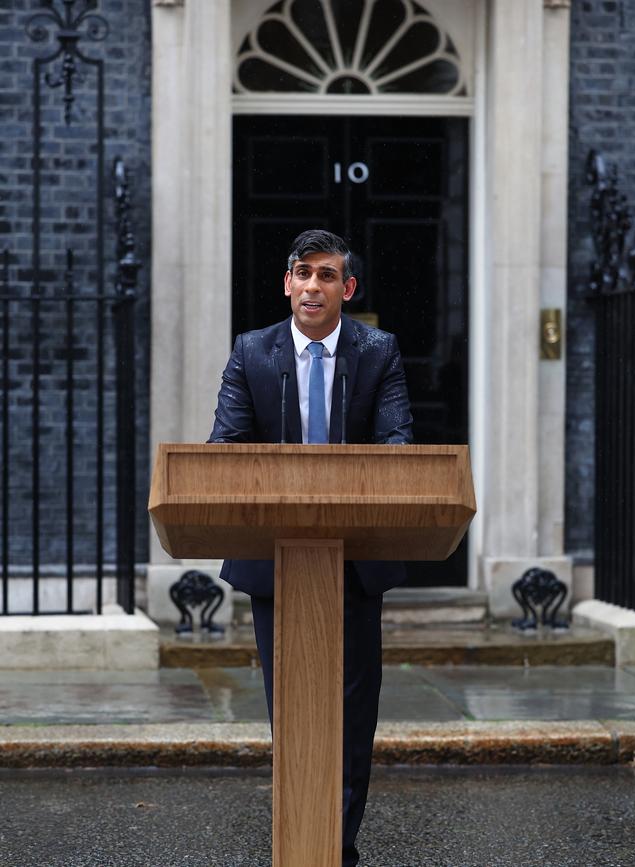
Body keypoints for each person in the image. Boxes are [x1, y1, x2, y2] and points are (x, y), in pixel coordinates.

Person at [209, 228, 413, 867]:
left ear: (346, 289)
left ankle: (338, 844)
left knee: (353, 711)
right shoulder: (251, 351)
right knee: (290, 706)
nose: (313, 286)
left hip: (355, 559)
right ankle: (299, 835)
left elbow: (399, 445)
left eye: (328, 276)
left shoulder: (378, 351)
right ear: (287, 283)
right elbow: (224, 447)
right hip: (277, 557)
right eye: (304, 273)